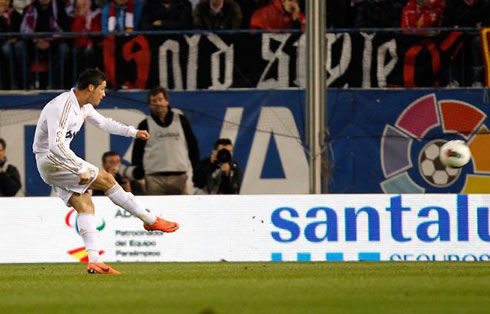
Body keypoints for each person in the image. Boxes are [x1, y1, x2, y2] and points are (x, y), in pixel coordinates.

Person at [32, 68, 179, 275]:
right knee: (108, 179)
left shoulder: (83, 106)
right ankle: (150, 220)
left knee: (85, 203)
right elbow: (56, 146)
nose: (104, 93)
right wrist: (79, 167)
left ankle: (95, 261)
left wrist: (132, 132)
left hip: (54, 162)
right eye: (102, 89)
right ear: (90, 87)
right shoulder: (63, 105)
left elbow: (104, 123)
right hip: (52, 158)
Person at [131, 87, 200, 195]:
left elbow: (193, 145)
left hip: (179, 176)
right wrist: (138, 171)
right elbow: (137, 151)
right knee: (156, 211)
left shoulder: (181, 120)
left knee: (182, 210)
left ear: (167, 101)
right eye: (154, 101)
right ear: (149, 104)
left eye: (160, 99)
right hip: (154, 178)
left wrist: (196, 169)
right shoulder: (145, 124)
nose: (158, 103)